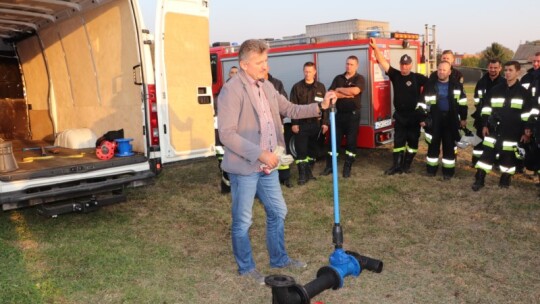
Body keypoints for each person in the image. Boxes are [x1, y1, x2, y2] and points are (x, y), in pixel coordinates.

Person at [217, 39, 336, 285]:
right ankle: (247, 268)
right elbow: (226, 134)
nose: (265, 66)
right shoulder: (232, 90)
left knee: (278, 211)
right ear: (244, 65)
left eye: (266, 61)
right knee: (243, 221)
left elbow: (291, 109)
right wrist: (260, 154)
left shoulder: (267, 86)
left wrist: (320, 106)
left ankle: (279, 258)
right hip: (246, 166)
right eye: (259, 62)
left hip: (269, 166)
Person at [472, 61, 534, 191]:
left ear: (518, 72)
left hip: (512, 131)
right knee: (486, 155)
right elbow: (486, 109)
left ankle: (505, 180)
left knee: (508, 158)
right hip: (493, 129)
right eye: (505, 70)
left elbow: (528, 114)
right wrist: (484, 125)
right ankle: (479, 179)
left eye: (510, 70)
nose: (507, 73)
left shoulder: (524, 93)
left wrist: (526, 131)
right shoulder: (495, 90)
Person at [370, 38, 428, 174]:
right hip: (400, 116)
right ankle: (396, 166)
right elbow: (383, 62)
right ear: (400, 65)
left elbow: (432, 84)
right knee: (398, 143)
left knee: (413, 143)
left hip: (414, 116)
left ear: (411, 65)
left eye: (407, 65)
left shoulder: (418, 77)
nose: (404, 67)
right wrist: (376, 48)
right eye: (402, 64)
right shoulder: (395, 75)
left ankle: (406, 165)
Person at [417, 61, 467, 180]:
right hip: (434, 120)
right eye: (439, 69)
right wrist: (422, 119)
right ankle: (431, 171)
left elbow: (463, 104)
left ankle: (448, 173)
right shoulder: (430, 85)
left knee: (449, 147)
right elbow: (421, 103)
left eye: (444, 70)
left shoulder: (457, 86)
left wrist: (463, 118)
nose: (441, 72)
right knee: (433, 146)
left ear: (449, 72)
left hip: (451, 119)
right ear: (437, 70)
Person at [321, 55, 365, 178]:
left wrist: (339, 90)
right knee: (333, 142)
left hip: (353, 116)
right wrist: (346, 94)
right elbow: (330, 94)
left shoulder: (359, 78)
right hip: (338, 116)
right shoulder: (338, 78)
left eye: (351, 64)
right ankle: (330, 166)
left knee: (351, 143)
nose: (348, 66)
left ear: (357, 66)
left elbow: (355, 91)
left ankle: (347, 167)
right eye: (347, 64)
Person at [289, 61, 327, 185]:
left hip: (316, 124)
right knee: (301, 151)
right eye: (306, 71)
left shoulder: (321, 87)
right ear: (303, 71)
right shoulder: (297, 87)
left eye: (310, 71)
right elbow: (293, 106)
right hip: (301, 125)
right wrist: (294, 123)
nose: (308, 74)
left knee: (313, 151)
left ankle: (309, 173)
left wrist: (325, 123)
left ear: (315, 72)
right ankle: (302, 176)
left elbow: (324, 107)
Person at [471, 59, 505, 167]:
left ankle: (495, 162)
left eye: (495, 68)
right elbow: (476, 99)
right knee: (478, 140)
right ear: (488, 67)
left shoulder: (504, 83)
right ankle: (476, 161)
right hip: (481, 116)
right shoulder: (481, 82)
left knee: (496, 141)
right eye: (491, 67)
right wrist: (481, 111)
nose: (493, 70)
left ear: (500, 68)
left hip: (498, 117)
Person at [264, 70, 294, 188]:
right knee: (266, 151)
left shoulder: (276, 83)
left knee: (281, 149)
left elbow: (284, 101)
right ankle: (269, 178)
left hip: (276, 123)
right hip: (263, 125)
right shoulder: (254, 84)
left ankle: (285, 178)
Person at [216, 66, 241, 194]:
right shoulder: (225, 89)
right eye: (232, 72)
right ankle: (226, 186)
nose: (234, 74)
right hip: (228, 129)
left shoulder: (242, 88)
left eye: (237, 72)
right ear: (229, 74)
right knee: (229, 158)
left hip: (240, 128)